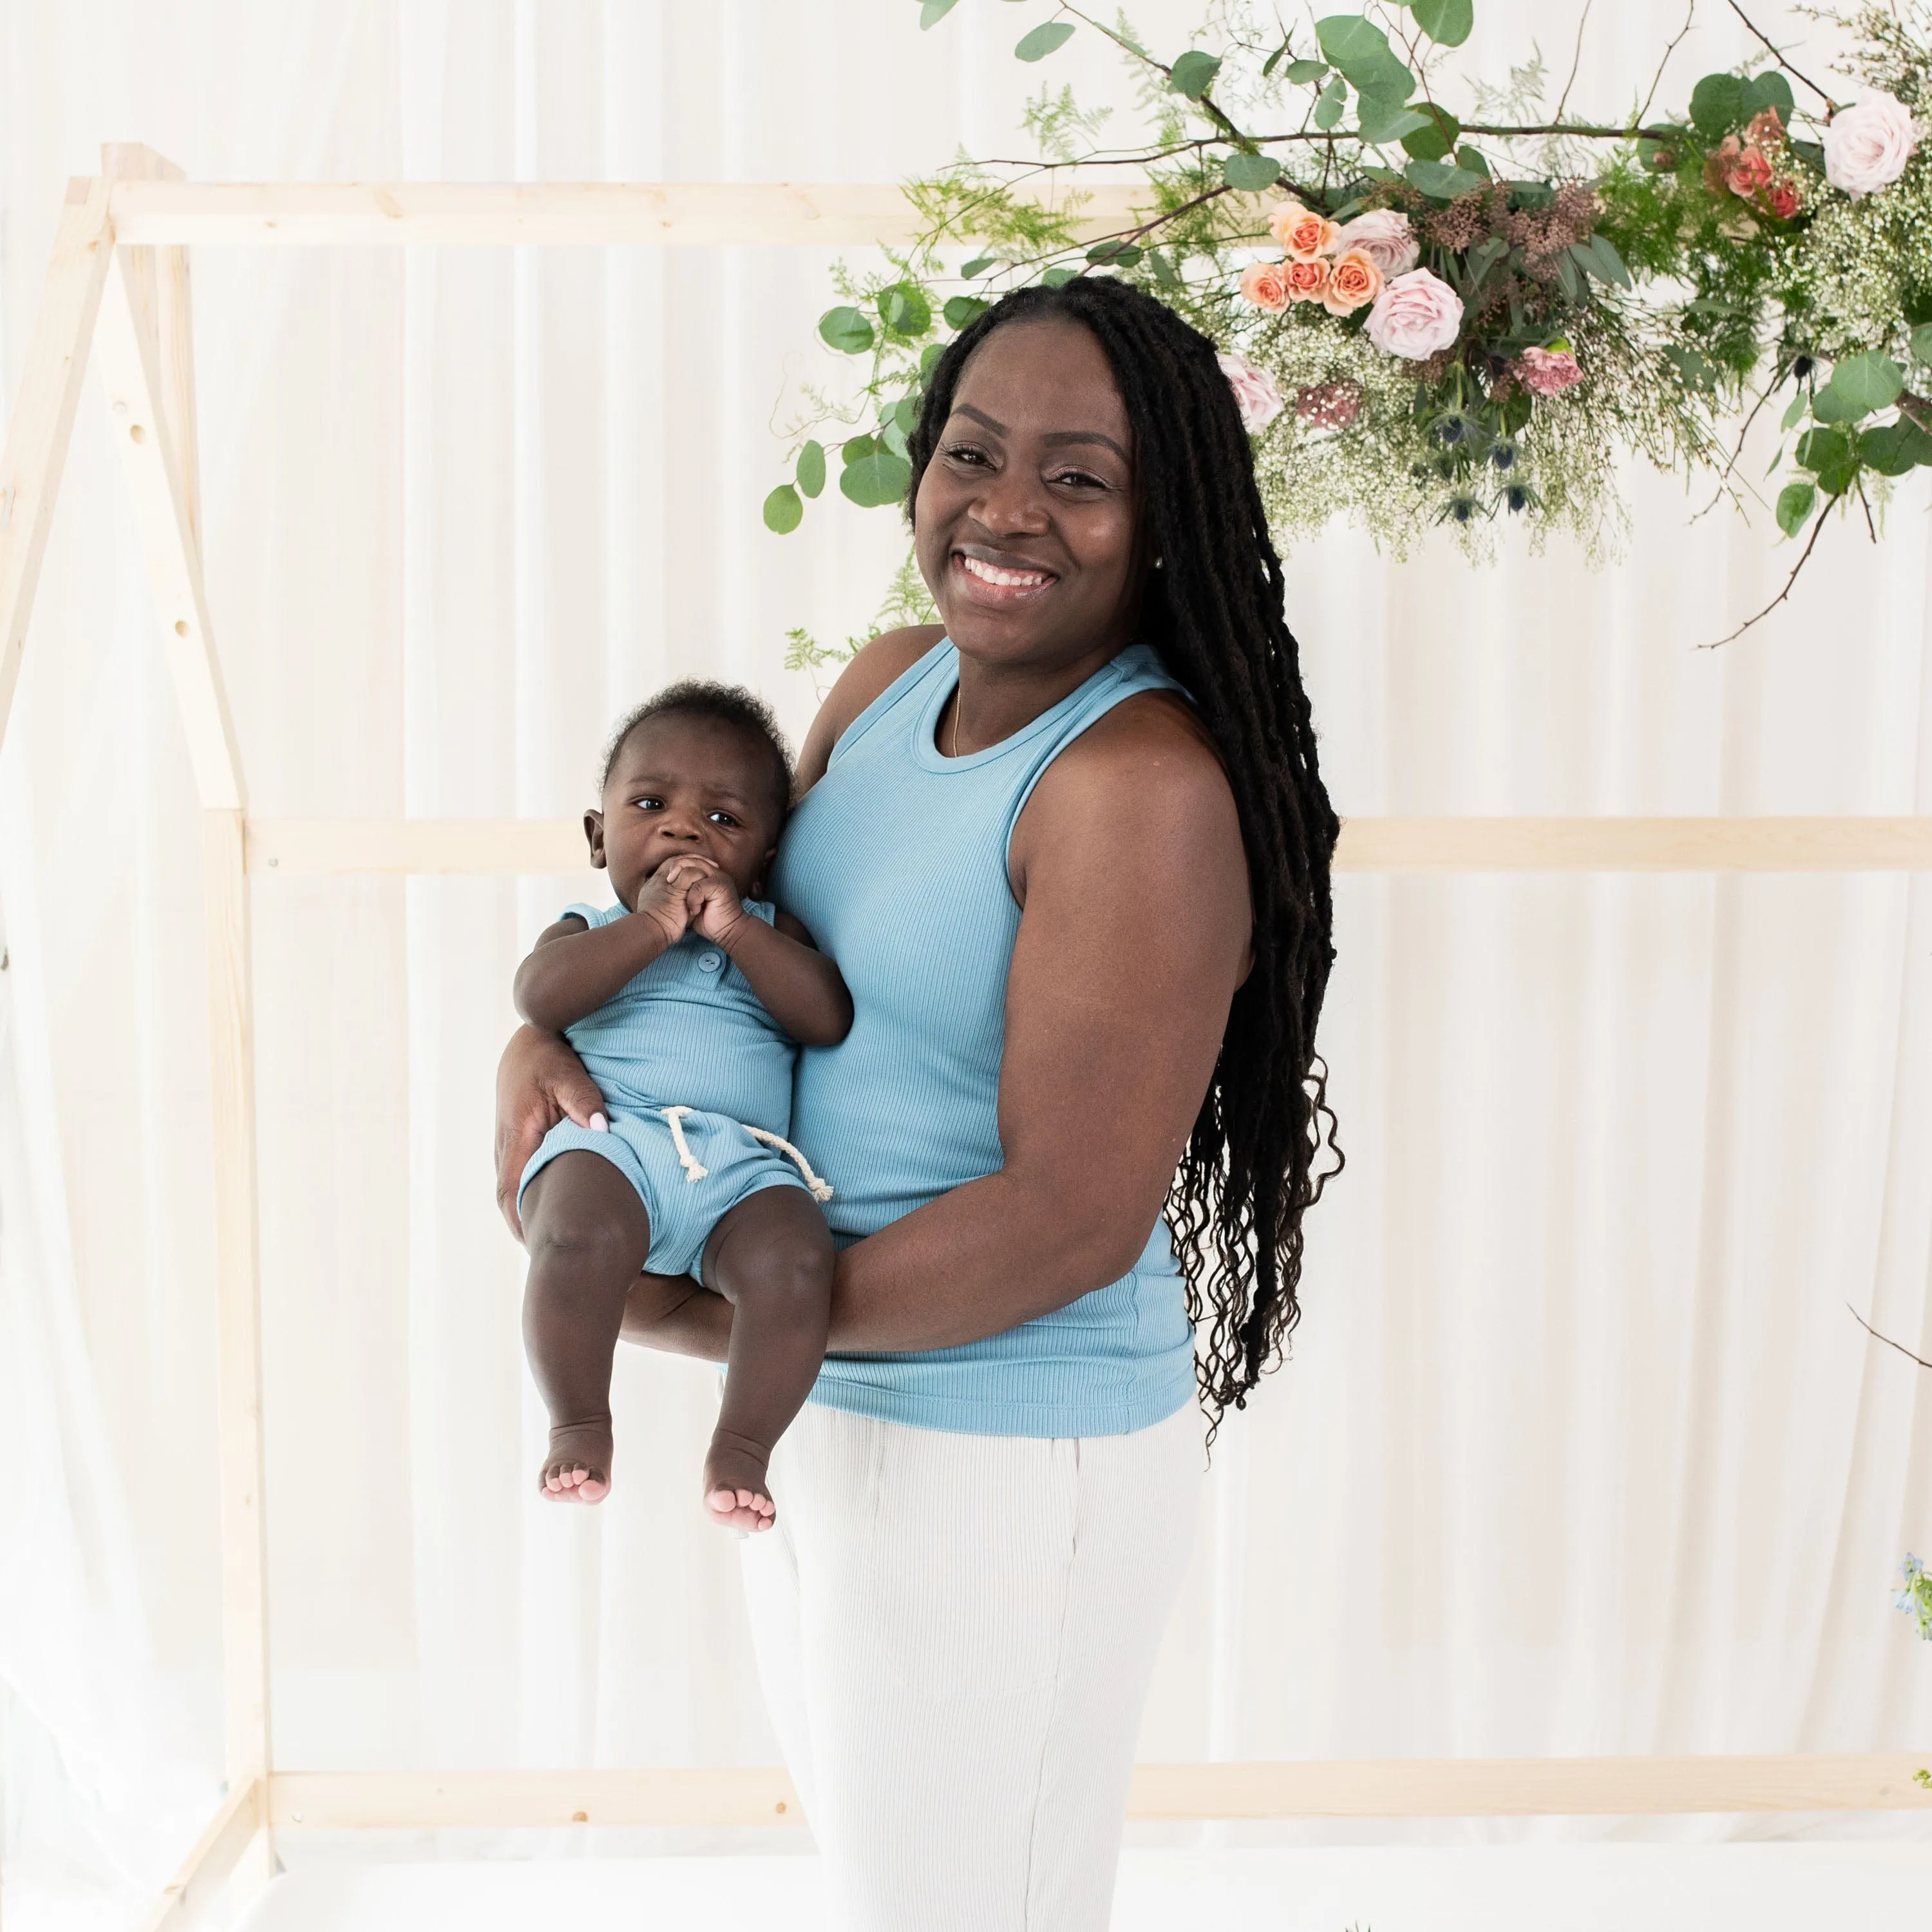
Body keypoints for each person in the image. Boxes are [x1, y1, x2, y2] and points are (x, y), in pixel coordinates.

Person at [495, 276, 1338, 1931]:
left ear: (1163, 519)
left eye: (1080, 477)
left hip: (1005, 1445)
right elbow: (740, 952)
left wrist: (691, 1318)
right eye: (973, 453)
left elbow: (1068, 1221)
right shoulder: (885, 686)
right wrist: (541, 1050)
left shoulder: (1138, 792)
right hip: (833, 1406)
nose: (1007, 510)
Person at [511, 683, 851, 1530]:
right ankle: (580, 1421)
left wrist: (737, 930)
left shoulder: (771, 933)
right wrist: (654, 926)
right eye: (651, 803)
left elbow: (825, 1016)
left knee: (800, 1264)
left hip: (742, 1167)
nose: (684, 829)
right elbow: (540, 997)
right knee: (574, 1238)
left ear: (766, 859)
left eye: (725, 820)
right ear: (598, 835)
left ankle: (743, 1447)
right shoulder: (585, 929)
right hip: (611, 1145)